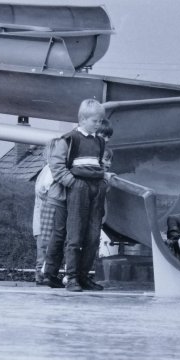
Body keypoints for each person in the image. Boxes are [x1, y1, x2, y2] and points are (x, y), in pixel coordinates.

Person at [42, 99, 107, 292]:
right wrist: (73, 183)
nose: (99, 124)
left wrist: (103, 179)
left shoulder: (99, 141)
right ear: (83, 119)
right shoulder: (69, 139)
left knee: (93, 235)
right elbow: (56, 165)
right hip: (75, 190)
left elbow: (100, 164)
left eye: (101, 121)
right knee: (73, 234)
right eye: (95, 121)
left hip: (95, 189)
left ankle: (83, 275)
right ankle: (70, 277)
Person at [32, 144, 54, 284]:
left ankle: (42, 272)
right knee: (44, 246)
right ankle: (41, 273)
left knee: (45, 246)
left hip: (44, 214)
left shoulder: (46, 169)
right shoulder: (49, 169)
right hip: (45, 214)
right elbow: (43, 190)